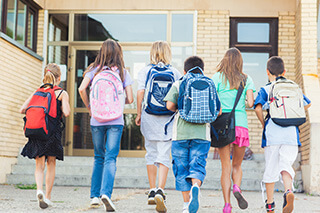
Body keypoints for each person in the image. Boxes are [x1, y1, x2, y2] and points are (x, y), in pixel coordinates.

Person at [78, 39, 134, 211]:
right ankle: (106, 194)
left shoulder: (93, 70)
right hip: (115, 121)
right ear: (118, 53)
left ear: (101, 52)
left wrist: (89, 107)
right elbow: (131, 99)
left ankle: (94, 196)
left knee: (98, 157)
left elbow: (81, 89)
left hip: (96, 120)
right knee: (110, 158)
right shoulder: (123, 72)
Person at [254, 56, 311, 213]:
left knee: (271, 168)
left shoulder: (266, 88)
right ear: (284, 71)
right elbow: (308, 103)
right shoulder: (295, 87)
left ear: (267, 72)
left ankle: (270, 205)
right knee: (286, 165)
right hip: (292, 133)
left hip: (273, 132)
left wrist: (264, 123)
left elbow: (258, 108)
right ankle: (288, 191)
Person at [164, 56, 219, 213]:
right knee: (197, 165)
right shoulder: (210, 83)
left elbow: (169, 105)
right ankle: (196, 186)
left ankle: (186, 204)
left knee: (182, 169)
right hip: (202, 134)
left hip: (180, 134)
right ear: (202, 69)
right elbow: (218, 110)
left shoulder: (179, 82)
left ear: (184, 70)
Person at [135, 41, 181, 213]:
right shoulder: (175, 72)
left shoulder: (145, 71)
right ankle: (161, 190)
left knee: (151, 153)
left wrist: (138, 113)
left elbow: (140, 92)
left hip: (149, 116)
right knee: (164, 154)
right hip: (168, 119)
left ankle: (152, 190)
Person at [20, 63, 70, 209]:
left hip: (37, 131)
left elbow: (22, 109)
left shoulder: (37, 92)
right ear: (59, 78)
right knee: (51, 163)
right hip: (52, 132)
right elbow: (66, 112)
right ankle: (47, 197)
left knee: (39, 165)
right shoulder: (61, 93)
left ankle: (39, 190)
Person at [211, 47, 255, 213]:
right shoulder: (246, 79)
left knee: (226, 167)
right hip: (241, 125)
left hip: (223, 126)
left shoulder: (217, 77)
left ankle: (227, 205)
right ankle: (237, 187)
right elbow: (251, 103)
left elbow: (212, 100)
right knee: (237, 165)